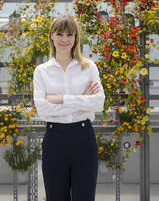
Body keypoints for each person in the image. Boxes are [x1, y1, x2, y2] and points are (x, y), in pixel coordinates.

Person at [33, 15, 105, 201]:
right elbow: (42, 110)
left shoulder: (89, 67)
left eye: (69, 34)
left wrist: (60, 99)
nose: (64, 39)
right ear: (51, 36)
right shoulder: (41, 71)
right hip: (55, 140)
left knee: (85, 198)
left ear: (76, 38)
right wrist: (81, 100)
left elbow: (98, 102)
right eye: (59, 34)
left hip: (83, 140)